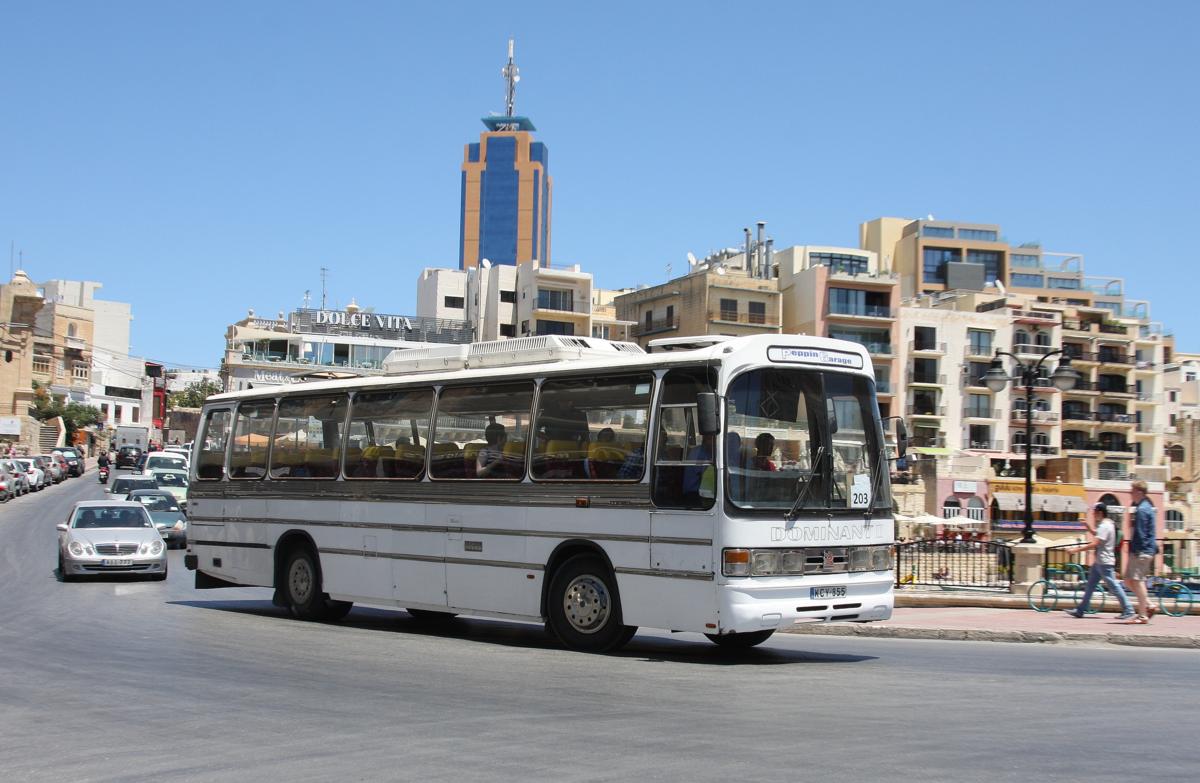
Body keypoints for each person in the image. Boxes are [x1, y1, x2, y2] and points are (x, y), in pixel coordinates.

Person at [1062, 503, 1136, 620]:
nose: (1093, 515)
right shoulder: (1108, 524)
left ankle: (1129, 609)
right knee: (1090, 586)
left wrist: (1076, 549)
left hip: (1104, 562)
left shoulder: (1104, 526)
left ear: (1100, 513)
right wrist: (1087, 526)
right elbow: (1097, 535)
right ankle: (1080, 610)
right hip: (1100, 562)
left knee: (1114, 586)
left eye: (1095, 512)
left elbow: (1095, 543)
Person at [1124, 480, 1159, 623]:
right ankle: (1149, 605)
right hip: (1145, 550)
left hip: (1141, 551)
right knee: (1128, 581)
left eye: (1132, 491)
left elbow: (1141, 532)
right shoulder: (1145, 507)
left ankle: (1143, 615)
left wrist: (1137, 550)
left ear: (1139, 491)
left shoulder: (1142, 509)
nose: (1130, 494)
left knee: (1137, 582)